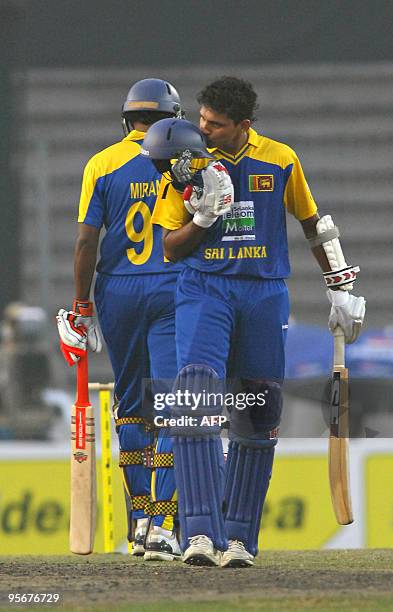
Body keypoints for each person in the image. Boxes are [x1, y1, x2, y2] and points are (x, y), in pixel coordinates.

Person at [144, 76, 366, 568]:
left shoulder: (280, 158)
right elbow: (168, 247)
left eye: (215, 124)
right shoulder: (185, 165)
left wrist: (339, 287)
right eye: (200, 119)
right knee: (196, 398)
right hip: (204, 288)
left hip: (263, 293)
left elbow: (313, 223)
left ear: (243, 126)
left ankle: (240, 538)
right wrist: (202, 219)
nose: (203, 129)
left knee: (257, 410)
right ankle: (199, 533)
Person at [56, 78, 190, 561]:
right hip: (173, 285)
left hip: (118, 292)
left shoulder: (102, 163)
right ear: (172, 116)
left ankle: (137, 525)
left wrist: (80, 304)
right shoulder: (182, 158)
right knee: (177, 403)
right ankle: (163, 522)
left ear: (127, 117)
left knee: (133, 406)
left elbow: (86, 241)